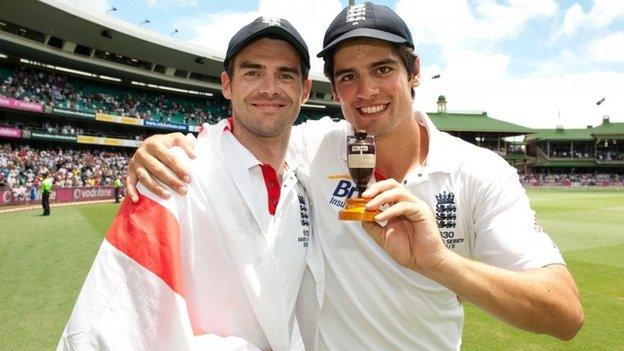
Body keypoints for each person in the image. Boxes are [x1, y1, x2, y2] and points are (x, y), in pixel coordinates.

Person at [126, 3, 584, 350]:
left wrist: (439, 264)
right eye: (347, 77)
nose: (365, 92)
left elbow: (564, 313)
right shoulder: (315, 145)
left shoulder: (477, 172)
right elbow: (248, 130)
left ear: (415, 72)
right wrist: (162, 146)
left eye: (382, 69)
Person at [58, 17, 323, 351]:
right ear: (227, 84)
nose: (269, 87)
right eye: (253, 72)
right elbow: (103, 331)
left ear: (305, 90)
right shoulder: (170, 174)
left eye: (285, 74)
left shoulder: (307, 174)